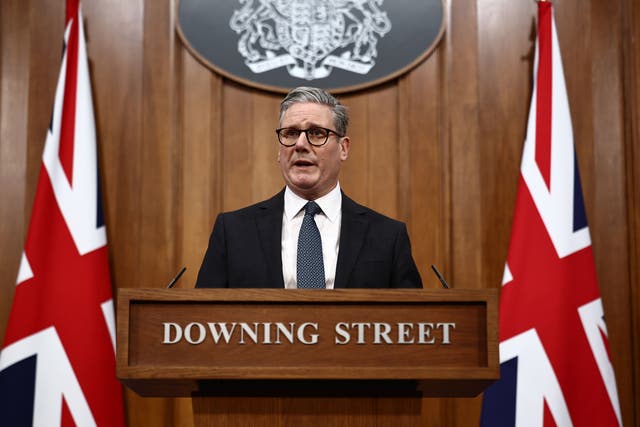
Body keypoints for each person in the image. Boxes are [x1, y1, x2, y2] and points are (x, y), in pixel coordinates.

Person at [195, 86, 422, 289]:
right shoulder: (233, 232)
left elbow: (412, 326)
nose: (301, 145)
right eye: (291, 133)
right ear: (279, 149)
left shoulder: (388, 236)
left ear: (343, 148)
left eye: (316, 133)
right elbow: (202, 320)